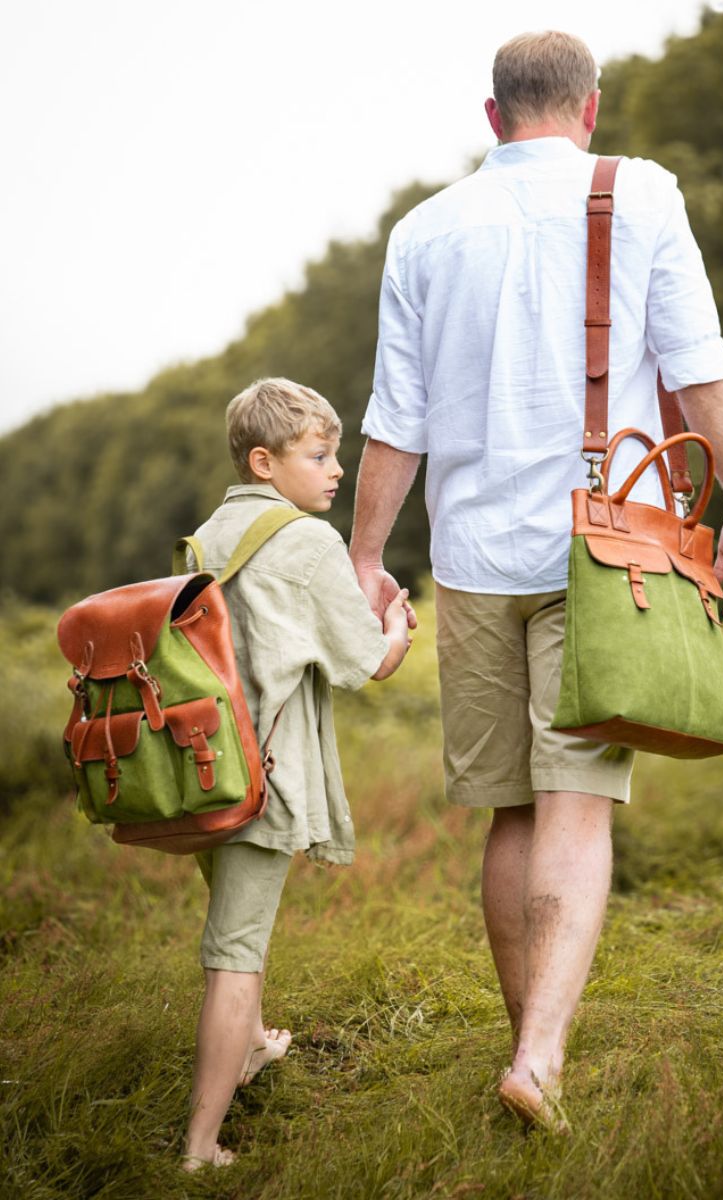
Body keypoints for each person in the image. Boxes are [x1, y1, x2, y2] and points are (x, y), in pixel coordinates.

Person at [350, 31, 723, 1132]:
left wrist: (363, 558)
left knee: (509, 811)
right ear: (590, 109)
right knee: (578, 805)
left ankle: (522, 1038)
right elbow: (700, 366)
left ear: (493, 119)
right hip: (608, 550)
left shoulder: (425, 231)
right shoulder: (640, 194)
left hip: (473, 559)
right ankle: (540, 1056)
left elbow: (397, 419)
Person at [181, 377, 413, 1169]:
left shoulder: (207, 535)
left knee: (235, 927)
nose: (337, 470)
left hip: (202, 771)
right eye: (319, 455)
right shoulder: (309, 542)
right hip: (265, 776)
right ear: (264, 460)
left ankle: (248, 1045)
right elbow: (366, 665)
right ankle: (199, 1147)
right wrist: (395, 624)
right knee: (234, 957)